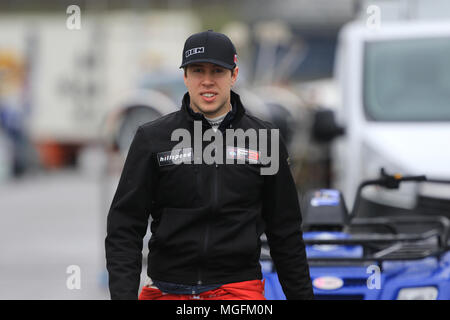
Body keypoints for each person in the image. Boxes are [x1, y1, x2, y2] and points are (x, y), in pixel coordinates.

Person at [105, 30, 313, 300]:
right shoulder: (152, 138)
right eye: (197, 71)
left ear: (234, 75)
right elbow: (124, 226)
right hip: (168, 291)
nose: (207, 81)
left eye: (217, 71)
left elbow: (285, 233)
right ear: (185, 77)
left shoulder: (266, 141)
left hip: (237, 293)